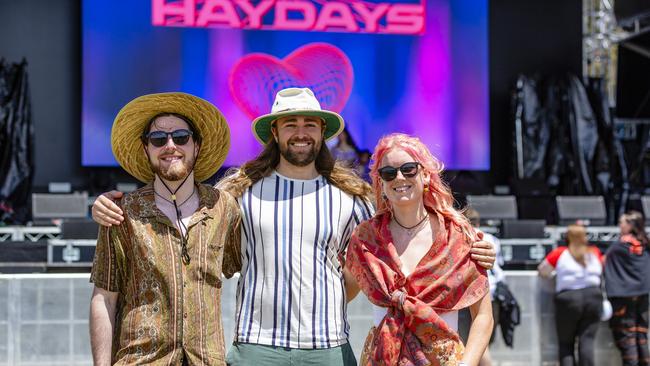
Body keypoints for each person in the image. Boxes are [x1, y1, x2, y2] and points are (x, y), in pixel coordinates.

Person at [92, 87, 497, 365]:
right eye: (290, 123)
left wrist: (476, 246)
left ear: (322, 132)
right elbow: (179, 200)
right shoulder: (237, 193)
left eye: (309, 123)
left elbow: (409, 228)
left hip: (328, 350)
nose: (300, 132)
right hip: (255, 350)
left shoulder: (352, 198)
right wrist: (110, 206)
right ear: (274, 133)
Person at [89, 92, 241, 365]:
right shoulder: (122, 212)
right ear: (146, 148)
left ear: (197, 145)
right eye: (159, 139)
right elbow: (104, 298)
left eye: (181, 137)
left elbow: (253, 271)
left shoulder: (224, 208)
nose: (170, 146)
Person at [345, 133, 494, 366]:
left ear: (425, 176)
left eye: (409, 169)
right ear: (381, 184)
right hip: (382, 359)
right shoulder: (366, 238)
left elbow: (483, 315)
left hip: (444, 361)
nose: (399, 177)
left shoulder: (458, 237)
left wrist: (468, 364)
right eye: (389, 173)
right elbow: (345, 291)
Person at [538, 224, 604, 366]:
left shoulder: (560, 252)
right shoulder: (594, 252)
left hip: (568, 299)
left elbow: (543, 271)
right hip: (594, 297)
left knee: (566, 343)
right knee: (587, 340)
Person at [603, 211, 650, 366]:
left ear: (630, 225)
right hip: (643, 295)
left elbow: (603, 261)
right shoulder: (645, 244)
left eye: (621, 222)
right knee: (641, 334)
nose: (619, 225)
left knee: (627, 336)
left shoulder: (619, 246)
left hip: (623, 297)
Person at [465, 208, 505, 366]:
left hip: (470, 294)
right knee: (483, 341)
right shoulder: (492, 239)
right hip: (493, 291)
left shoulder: (461, 236)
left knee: (476, 342)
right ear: (479, 222)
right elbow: (499, 264)